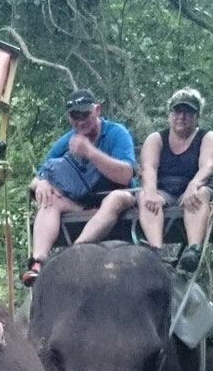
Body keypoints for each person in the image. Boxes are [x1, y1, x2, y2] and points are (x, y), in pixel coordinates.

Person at [23, 90, 137, 286]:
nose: (81, 121)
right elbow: (37, 177)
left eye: (85, 115)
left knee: (116, 198)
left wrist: (91, 153)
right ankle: (38, 262)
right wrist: (42, 183)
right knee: (50, 198)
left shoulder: (117, 133)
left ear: (97, 110)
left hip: (120, 201)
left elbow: (126, 174)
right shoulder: (66, 141)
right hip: (83, 204)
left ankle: (74, 253)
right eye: (76, 116)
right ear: (69, 117)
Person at [137, 88, 213, 272]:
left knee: (199, 194)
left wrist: (194, 184)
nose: (181, 117)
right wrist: (150, 190)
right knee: (145, 197)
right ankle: (156, 250)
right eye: (177, 111)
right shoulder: (157, 138)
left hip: (191, 189)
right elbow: (149, 167)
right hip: (164, 192)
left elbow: (208, 166)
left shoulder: (206, 137)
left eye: (188, 112)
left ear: (197, 116)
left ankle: (194, 249)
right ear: (170, 114)